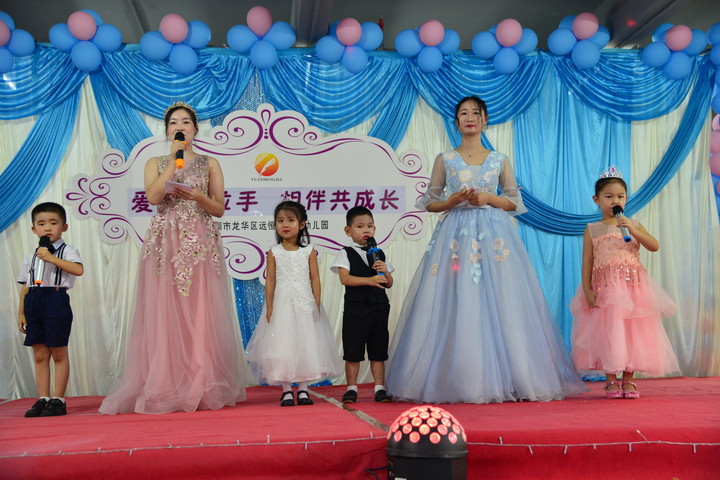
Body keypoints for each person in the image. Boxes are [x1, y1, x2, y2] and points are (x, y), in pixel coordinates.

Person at [386, 95, 587, 404]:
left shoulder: (499, 159)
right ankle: (456, 378)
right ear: (456, 122)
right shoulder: (445, 159)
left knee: (502, 298)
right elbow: (429, 202)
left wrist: (489, 199)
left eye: (475, 113)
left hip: (494, 239)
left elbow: (514, 201)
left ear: (485, 120)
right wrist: (452, 201)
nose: (470, 118)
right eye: (463, 113)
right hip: (455, 237)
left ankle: (512, 377)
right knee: (455, 297)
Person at [99, 102, 247, 414]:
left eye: (186, 122)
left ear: (195, 129)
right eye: (173, 123)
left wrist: (199, 196)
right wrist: (173, 164)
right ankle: (165, 381)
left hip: (198, 241)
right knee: (164, 309)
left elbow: (219, 208)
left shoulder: (210, 163)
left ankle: (200, 381)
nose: (179, 127)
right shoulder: (154, 162)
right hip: (165, 241)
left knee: (199, 308)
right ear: (167, 131)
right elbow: (153, 197)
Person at [570, 169, 679, 399]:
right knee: (609, 333)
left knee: (632, 333)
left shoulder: (633, 224)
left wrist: (632, 229)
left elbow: (654, 246)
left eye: (620, 196)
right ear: (596, 199)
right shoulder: (592, 229)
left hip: (633, 290)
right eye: (608, 196)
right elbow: (587, 261)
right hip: (606, 290)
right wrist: (588, 290)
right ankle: (611, 379)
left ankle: (629, 379)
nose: (615, 201)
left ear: (626, 199)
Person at [246, 201, 341, 406]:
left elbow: (315, 278)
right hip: (282, 304)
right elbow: (270, 280)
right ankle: (287, 390)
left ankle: (304, 389)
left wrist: (316, 302)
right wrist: (269, 306)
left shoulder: (308, 251)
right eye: (280, 221)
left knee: (305, 344)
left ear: (302, 224)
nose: (285, 225)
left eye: (290, 220)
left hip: (304, 303)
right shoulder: (274, 251)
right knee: (284, 345)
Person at [17, 202, 84, 417]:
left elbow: (78, 270)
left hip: (55, 300)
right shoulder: (31, 255)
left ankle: (58, 399)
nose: (47, 228)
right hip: (34, 301)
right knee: (39, 353)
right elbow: (25, 285)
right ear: (34, 228)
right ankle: (43, 398)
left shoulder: (68, 250)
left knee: (58, 351)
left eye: (53, 223)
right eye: (41, 223)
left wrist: (52, 258)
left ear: (64, 226)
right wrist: (21, 312)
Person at [330, 206, 394, 404]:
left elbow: (389, 283)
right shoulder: (346, 253)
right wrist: (369, 280)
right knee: (353, 350)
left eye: (370, 226)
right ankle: (351, 388)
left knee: (378, 350)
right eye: (360, 226)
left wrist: (385, 272)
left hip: (379, 308)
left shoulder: (379, 253)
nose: (366, 230)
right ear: (348, 231)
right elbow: (345, 279)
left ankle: (379, 388)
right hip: (356, 309)